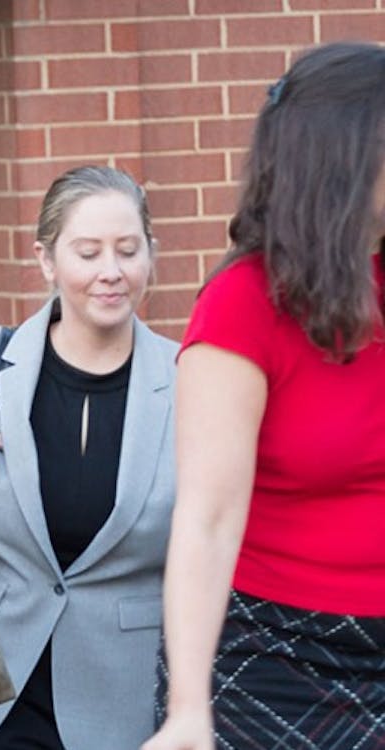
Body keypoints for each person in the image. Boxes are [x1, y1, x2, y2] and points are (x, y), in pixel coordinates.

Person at [143, 42, 385, 750]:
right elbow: (208, 519)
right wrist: (188, 709)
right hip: (278, 659)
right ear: (344, 156)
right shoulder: (244, 304)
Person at [0, 165, 178, 749]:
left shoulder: (190, 379)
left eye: (128, 250)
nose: (111, 271)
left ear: (151, 255)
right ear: (47, 260)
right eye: (88, 253)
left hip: (128, 700)